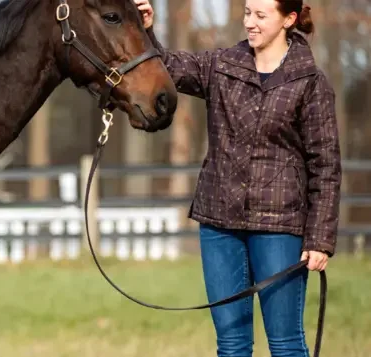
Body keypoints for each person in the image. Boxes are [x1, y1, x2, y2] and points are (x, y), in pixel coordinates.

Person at [134, 0, 341, 356]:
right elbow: (168, 66)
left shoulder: (310, 82)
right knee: (231, 345)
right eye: (247, 12)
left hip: (280, 226)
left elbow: (325, 165)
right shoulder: (221, 65)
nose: (250, 22)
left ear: (288, 19)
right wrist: (146, 28)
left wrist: (319, 239)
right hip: (219, 224)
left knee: (286, 343)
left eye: (261, 15)